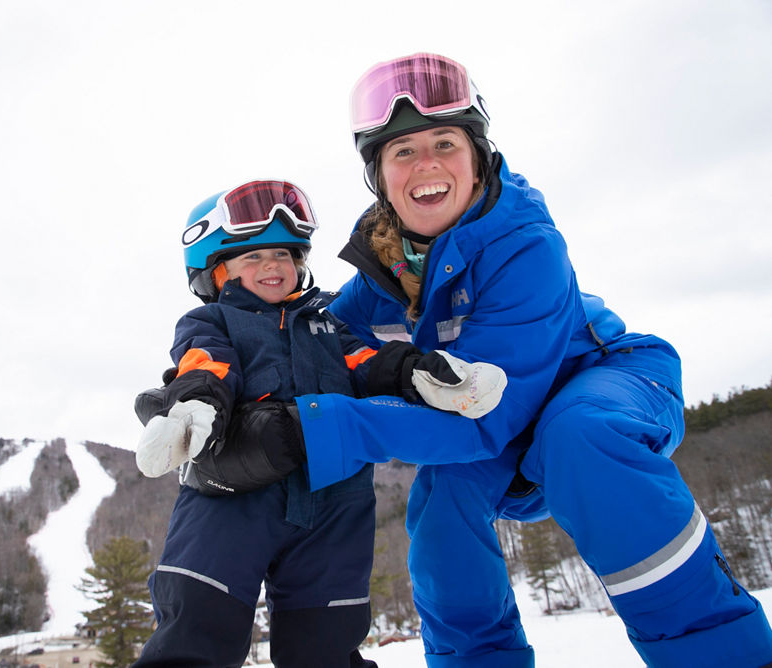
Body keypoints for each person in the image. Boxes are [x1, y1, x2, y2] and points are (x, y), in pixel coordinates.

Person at [283, 54, 772, 667]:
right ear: (379, 176)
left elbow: (486, 420)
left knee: (580, 436)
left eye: (445, 143)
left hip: (603, 376)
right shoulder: (381, 275)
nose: (426, 164)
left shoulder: (524, 244)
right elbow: (314, 341)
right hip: (497, 421)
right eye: (402, 151)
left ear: (479, 155)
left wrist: (321, 429)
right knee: (441, 502)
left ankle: (720, 654)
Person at [130, 178, 507, 668]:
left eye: (285, 255)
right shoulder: (215, 322)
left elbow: (371, 363)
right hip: (233, 495)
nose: (274, 266)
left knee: (327, 639)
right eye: (253, 257)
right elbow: (206, 365)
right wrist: (195, 407)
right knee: (198, 625)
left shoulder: (328, 325)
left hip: (334, 500)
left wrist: (421, 372)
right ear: (216, 273)